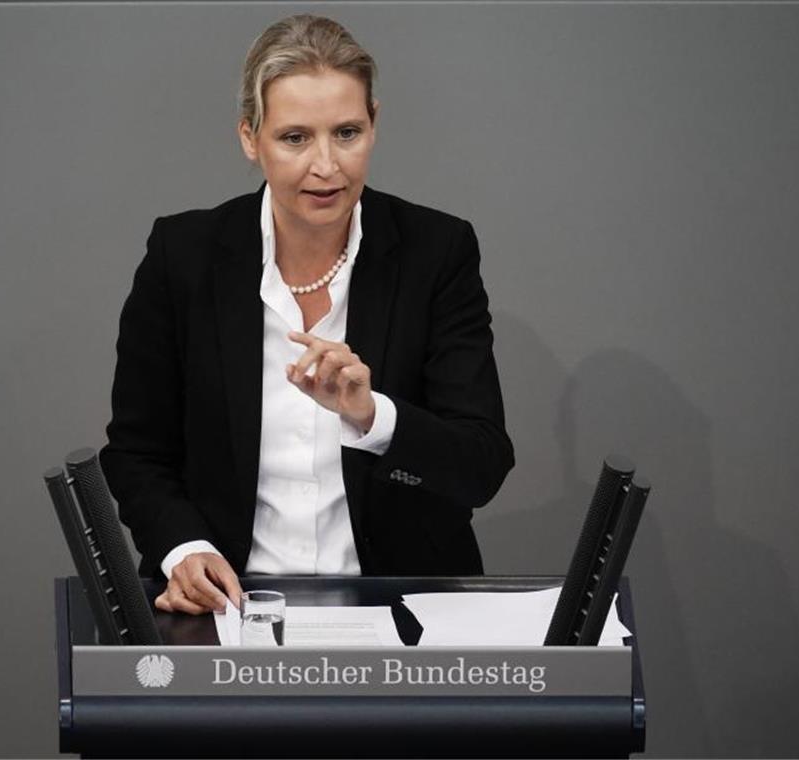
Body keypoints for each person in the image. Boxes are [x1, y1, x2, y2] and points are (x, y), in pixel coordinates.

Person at [99, 14, 514, 616]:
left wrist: (373, 416)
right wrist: (183, 548)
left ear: (375, 122)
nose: (327, 165)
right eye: (295, 138)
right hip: (229, 609)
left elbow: (481, 464)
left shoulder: (437, 251)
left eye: (346, 132)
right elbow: (137, 452)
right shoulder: (182, 255)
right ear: (250, 138)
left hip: (401, 610)